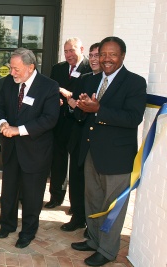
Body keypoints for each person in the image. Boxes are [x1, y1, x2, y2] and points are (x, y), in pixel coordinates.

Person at [71, 36, 147, 266]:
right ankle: (93, 240)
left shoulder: (135, 82)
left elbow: (133, 118)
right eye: (103, 54)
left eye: (112, 54)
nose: (106, 59)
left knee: (112, 207)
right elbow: (81, 116)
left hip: (117, 157)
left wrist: (99, 109)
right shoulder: (91, 81)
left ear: (122, 56)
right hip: (92, 152)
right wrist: (82, 108)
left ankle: (107, 250)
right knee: (93, 201)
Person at [0, 47, 60, 248]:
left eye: (16, 69)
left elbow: (49, 119)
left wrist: (18, 130)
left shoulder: (49, 86)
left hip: (36, 151)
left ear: (31, 67)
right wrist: (4, 123)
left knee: (32, 194)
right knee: (9, 189)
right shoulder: (8, 83)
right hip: (12, 149)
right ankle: (7, 224)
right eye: (11, 68)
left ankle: (28, 231)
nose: (12, 73)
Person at [44, 37, 92, 210]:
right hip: (59, 122)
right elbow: (50, 90)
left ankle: (76, 204)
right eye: (66, 51)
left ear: (81, 49)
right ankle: (56, 196)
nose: (69, 54)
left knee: (77, 165)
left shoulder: (90, 69)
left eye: (72, 50)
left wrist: (68, 94)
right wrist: (54, 99)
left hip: (80, 123)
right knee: (58, 160)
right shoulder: (58, 68)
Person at [61, 43, 102, 233]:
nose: (94, 59)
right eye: (92, 55)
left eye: (97, 55)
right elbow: (74, 107)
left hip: (99, 141)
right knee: (76, 180)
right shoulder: (84, 79)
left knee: (93, 185)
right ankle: (77, 217)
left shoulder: (109, 81)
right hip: (79, 136)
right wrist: (73, 106)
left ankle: (91, 222)